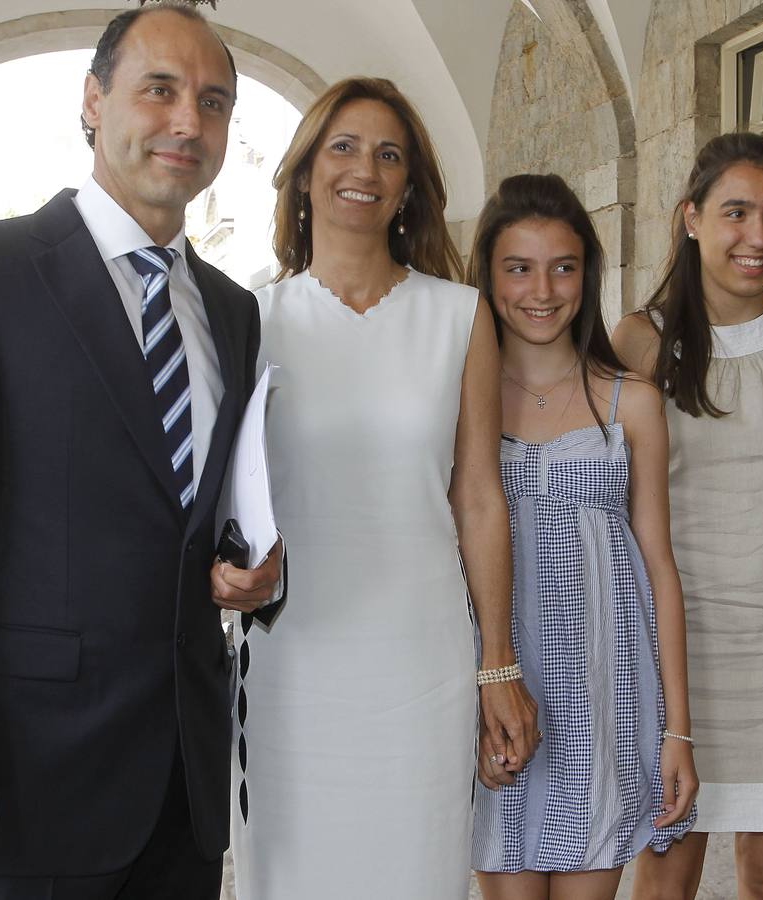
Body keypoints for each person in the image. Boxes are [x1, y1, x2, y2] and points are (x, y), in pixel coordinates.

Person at [0, 4, 282, 897]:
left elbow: (193, 515)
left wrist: (243, 570)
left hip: (184, 791)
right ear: (93, 100)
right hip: (22, 785)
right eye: (160, 91)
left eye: (213, 103)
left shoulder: (231, 313)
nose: (188, 123)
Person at [230, 76, 537, 899]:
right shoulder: (249, 319)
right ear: (303, 174)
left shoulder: (460, 315)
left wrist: (498, 667)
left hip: (419, 662)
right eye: (343, 146)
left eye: (388, 153)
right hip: (291, 659)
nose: (364, 167)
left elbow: (477, 497)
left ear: (408, 187)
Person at [614, 132, 763, 899]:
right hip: (677, 643)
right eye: (735, 213)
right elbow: (622, 500)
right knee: (667, 862)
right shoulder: (640, 342)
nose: (758, 237)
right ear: (689, 218)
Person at [466, 174, 698, 900]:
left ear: (586, 275)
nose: (542, 288)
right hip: (495, 691)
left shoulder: (632, 402)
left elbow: (658, 565)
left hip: (604, 697)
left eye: (562, 266)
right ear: (488, 276)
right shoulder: (454, 401)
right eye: (518, 267)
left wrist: (677, 729)